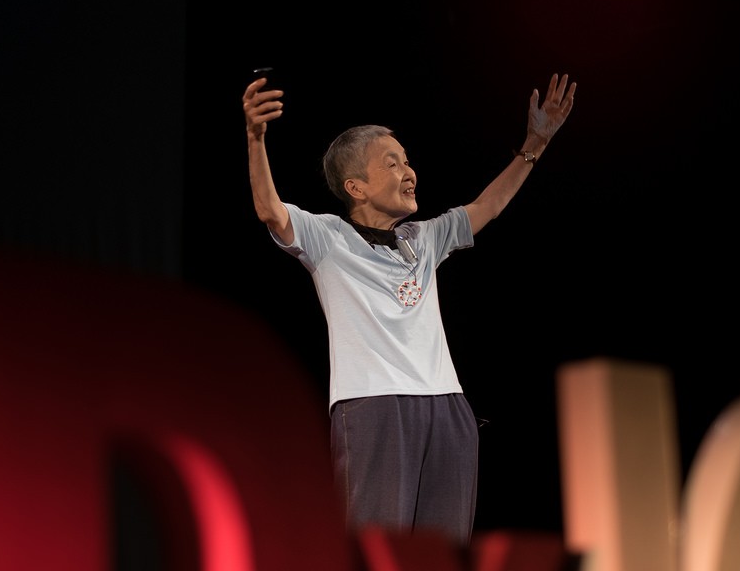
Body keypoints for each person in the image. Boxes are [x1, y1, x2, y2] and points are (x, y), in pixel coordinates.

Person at [242, 71, 576, 546]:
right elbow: (270, 210)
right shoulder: (327, 237)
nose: (409, 171)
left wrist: (536, 142)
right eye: (391, 163)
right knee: (376, 554)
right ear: (356, 187)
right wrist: (256, 137)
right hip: (373, 406)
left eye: (407, 160)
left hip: (448, 407)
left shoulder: (423, 238)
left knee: (442, 560)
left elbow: (489, 205)